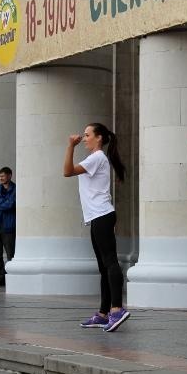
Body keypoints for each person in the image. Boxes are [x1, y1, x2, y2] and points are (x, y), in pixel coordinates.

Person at [63, 122, 130, 332]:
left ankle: (117, 309)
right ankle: (103, 313)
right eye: (83, 135)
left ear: (99, 137)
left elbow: (67, 171)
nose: (84, 138)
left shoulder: (97, 157)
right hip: (97, 216)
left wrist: (70, 146)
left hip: (102, 215)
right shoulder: (95, 158)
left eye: (87, 135)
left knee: (110, 262)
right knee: (103, 266)